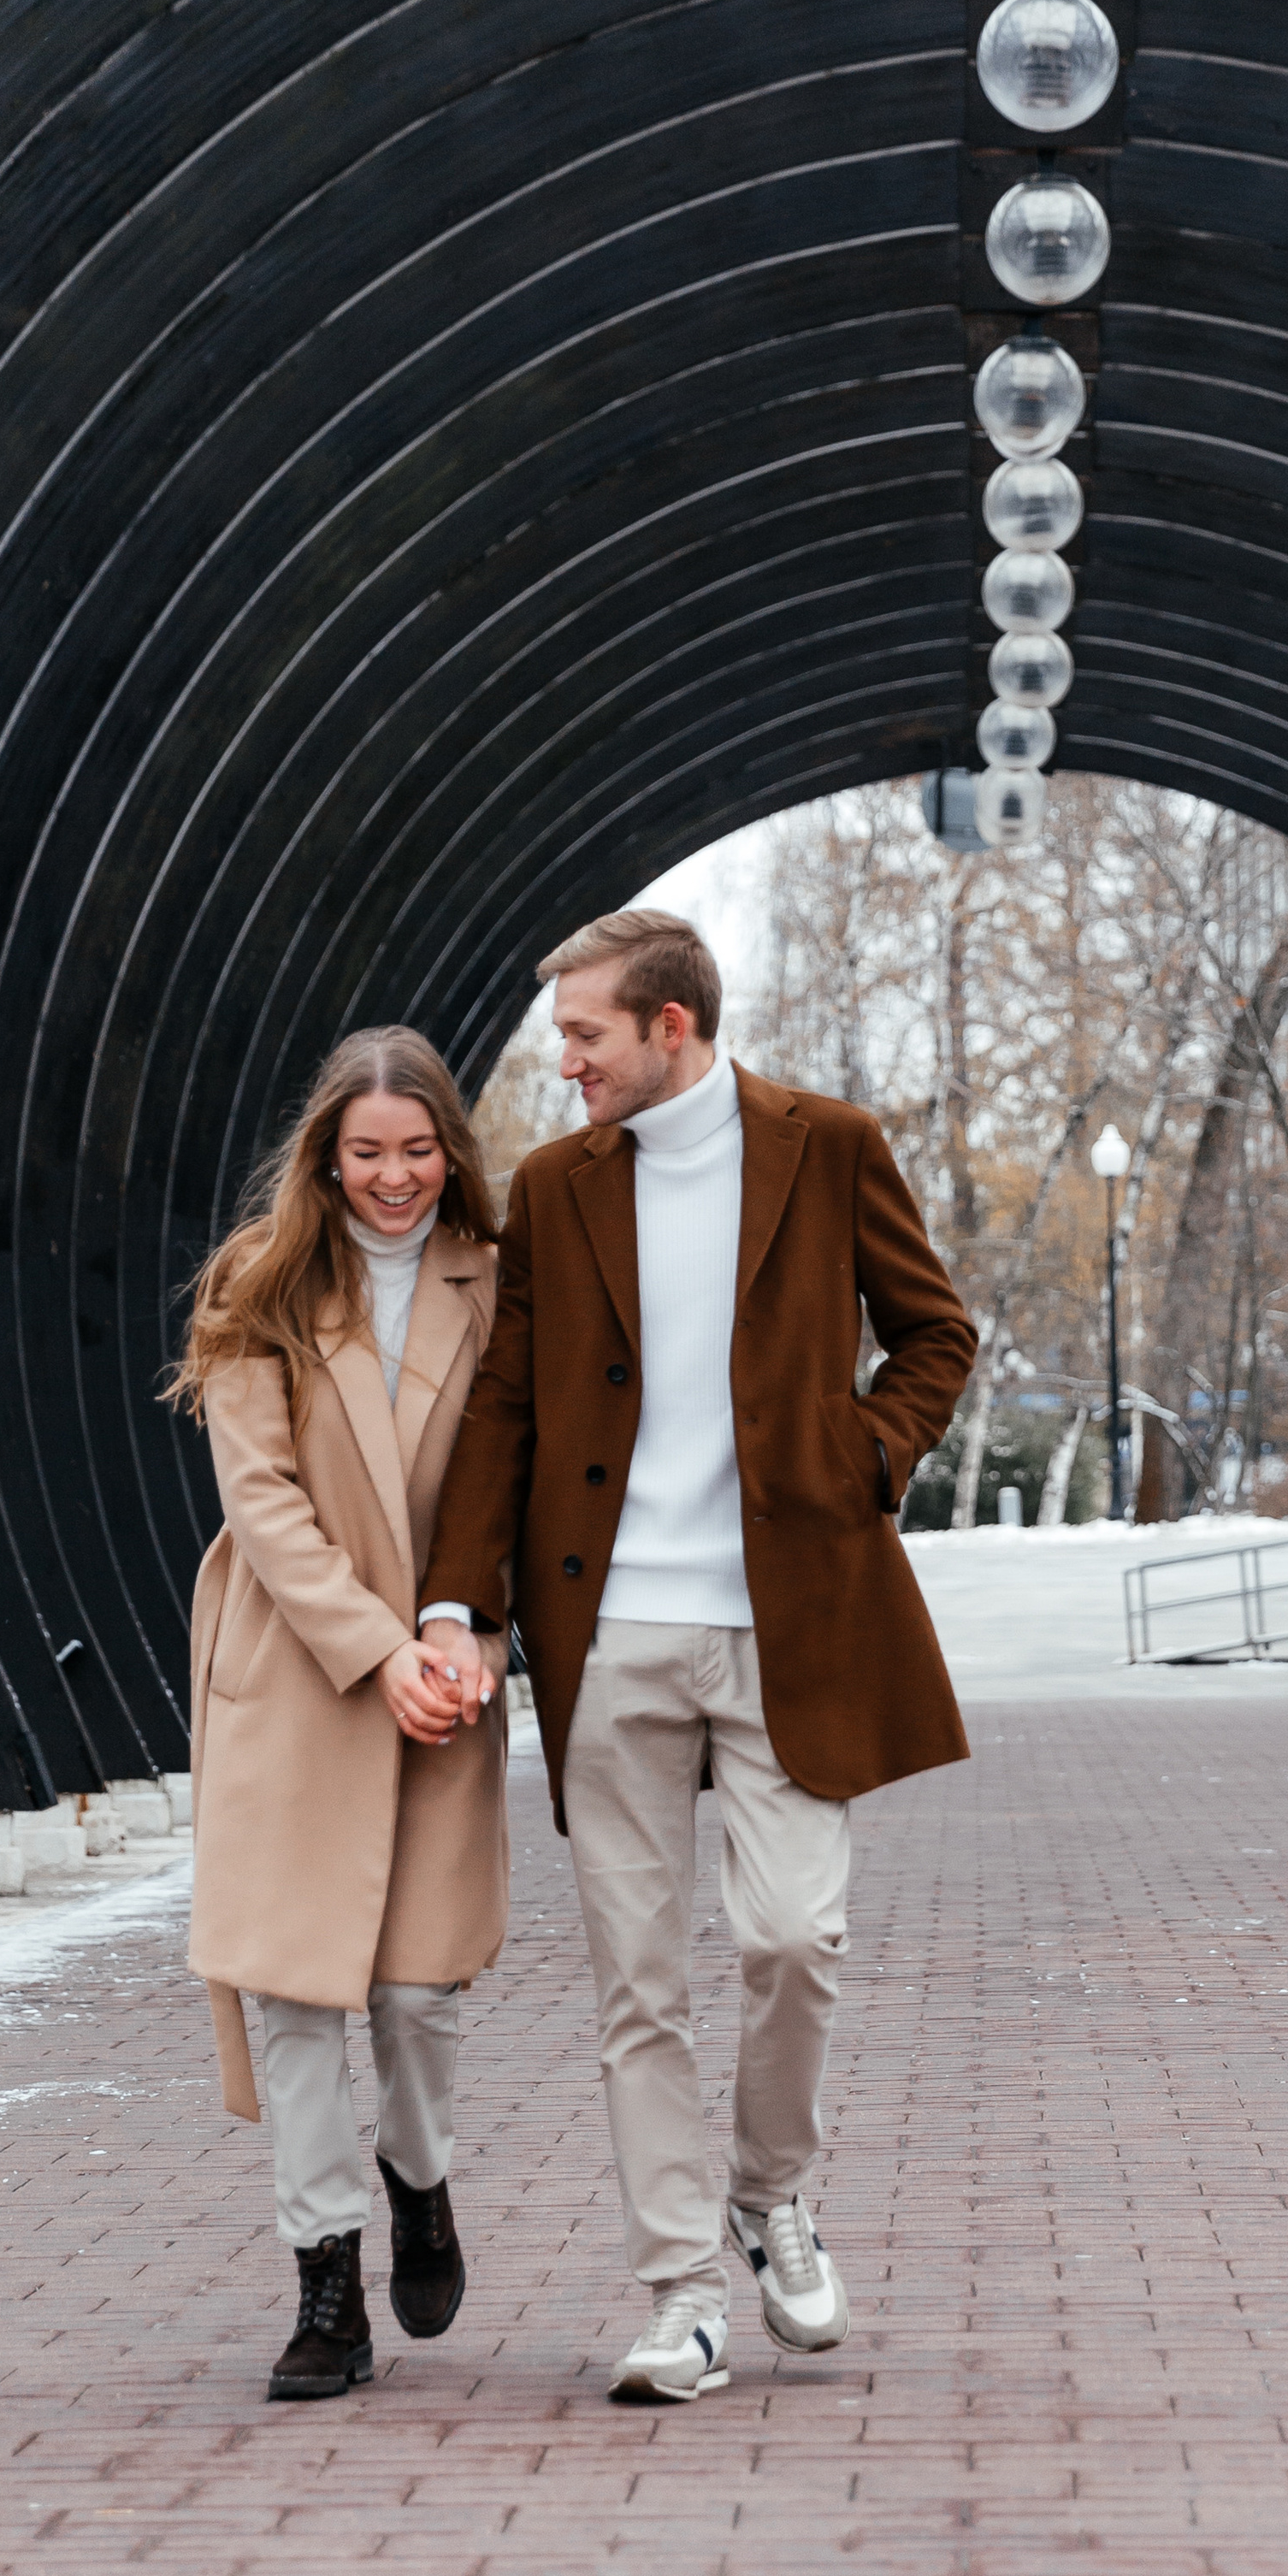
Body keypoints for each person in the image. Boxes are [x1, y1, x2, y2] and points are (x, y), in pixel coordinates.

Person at [420, 908, 978, 2402]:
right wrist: (460, 1603)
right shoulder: (552, 1187)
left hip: (789, 1619)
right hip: (608, 1635)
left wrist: (860, 1458)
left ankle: (769, 2191)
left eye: (587, 1035)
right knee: (638, 1987)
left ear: (671, 1026)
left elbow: (936, 1334)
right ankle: (679, 2295)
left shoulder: (830, 1145)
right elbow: (504, 1409)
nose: (566, 1061)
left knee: (796, 1941)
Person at [166, 1026, 508, 2403]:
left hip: (444, 1668)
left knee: (416, 1991)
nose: (395, 1180)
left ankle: (418, 2180)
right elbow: (263, 1501)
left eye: (420, 1152)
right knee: (297, 1991)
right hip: (296, 1666)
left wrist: (461, 1635)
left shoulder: (495, 1284)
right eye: (368, 1154)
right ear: (324, 1155)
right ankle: (325, 2288)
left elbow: (515, 1471)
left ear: (450, 1152)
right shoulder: (261, 1284)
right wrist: (371, 1648)